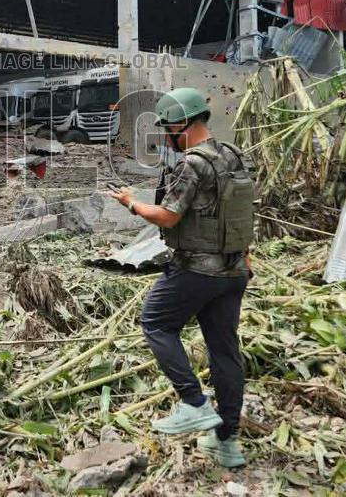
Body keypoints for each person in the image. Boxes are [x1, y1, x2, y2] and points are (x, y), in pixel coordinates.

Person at [108, 87, 253, 468]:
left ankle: (193, 402)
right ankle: (227, 442)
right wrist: (242, 258)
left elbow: (169, 216)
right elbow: (236, 214)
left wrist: (132, 203)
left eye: (166, 127)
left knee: (156, 322)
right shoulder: (234, 156)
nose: (165, 133)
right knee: (225, 353)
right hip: (235, 269)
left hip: (196, 270)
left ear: (180, 124)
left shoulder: (193, 163)